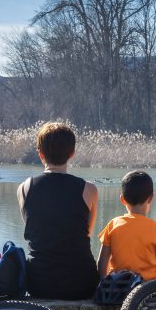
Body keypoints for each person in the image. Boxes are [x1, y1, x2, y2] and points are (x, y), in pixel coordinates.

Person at [17, 122, 99, 300]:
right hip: (83, 283)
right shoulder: (89, 189)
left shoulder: (24, 188)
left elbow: (37, 231)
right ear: (72, 154)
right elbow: (86, 232)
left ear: (40, 154)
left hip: (39, 284)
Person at [97, 171, 156, 280]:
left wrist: (103, 283)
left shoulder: (113, 224)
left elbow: (102, 262)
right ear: (151, 198)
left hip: (118, 286)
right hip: (147, 288)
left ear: (122, 199)